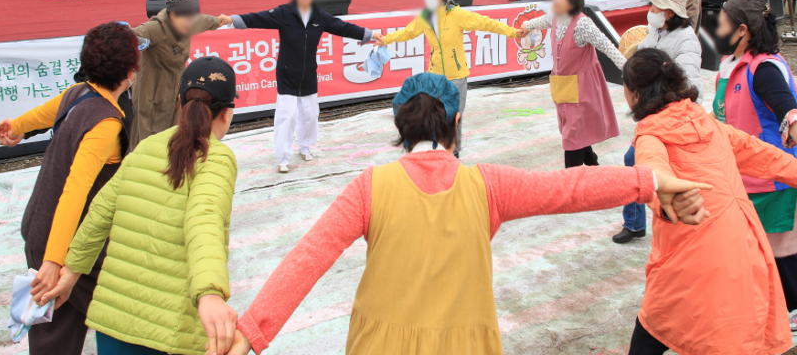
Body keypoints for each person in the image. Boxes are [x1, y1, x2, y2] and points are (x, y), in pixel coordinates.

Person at [222, 72, 708, 355]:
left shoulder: (370, 187)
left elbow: (307, 259)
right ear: (457, 120)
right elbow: (569, 188)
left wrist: (251, 332)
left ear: (399, 125)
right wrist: (652, 182)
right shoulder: (487, 185)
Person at [38, 57, 239, 355]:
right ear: (228, 113)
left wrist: (72, 271)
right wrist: (209, 292)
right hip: (168, 333)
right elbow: (204, 222)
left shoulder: (148, 146)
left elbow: (100, 213)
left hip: (114, 323)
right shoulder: (218, 158)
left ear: (179, 103)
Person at [623, 49, 797, 355]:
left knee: (656, 333)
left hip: (691, 261)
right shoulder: (708, 124)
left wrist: (667, 197)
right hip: (744, 250)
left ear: (635, 94)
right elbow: (763, 155)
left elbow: (652, 171)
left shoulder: (650, 135)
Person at [0, 22, 139, 355]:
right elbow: (74, 193)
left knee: (55, 335)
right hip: (70, 251)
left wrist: (15, 127)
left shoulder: (78, 93)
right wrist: (54, 262)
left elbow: (48, 111)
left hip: (38, 232)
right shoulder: (106, 124)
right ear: (130, 73)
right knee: (131, 319)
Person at [229, 0, 381, 172]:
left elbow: (343, 27)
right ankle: (283, 157)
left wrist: (370, 35)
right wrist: (229, 19)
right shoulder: (284, 13)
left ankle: (305, 146)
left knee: (310, 114)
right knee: (287, 115)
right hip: (287, 74)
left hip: (308, 74)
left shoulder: (320, 16)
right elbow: (257, 18)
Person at [712, 0, 797, 311]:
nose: (716, 31)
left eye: (721, 25)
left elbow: (789, 110)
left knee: (781, 252)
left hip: (771, 181)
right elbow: (720, 115)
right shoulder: (730, 64)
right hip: (739, 177)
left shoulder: (764, 70)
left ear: (742, 30)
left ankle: (791, 312)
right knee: (750, 250)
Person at [376, 0, 526, 157]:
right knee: (434, 116)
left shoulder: (457, 15)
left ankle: (453, 152)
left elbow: (486, 23)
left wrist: (512, 32)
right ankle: (437, 149)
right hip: (435, 76)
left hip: (456, 77)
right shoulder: (426, 16)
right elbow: (408, 32)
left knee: (454, 116)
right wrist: (386, 39)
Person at [613, 0, 703, 244]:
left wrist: (663, 99)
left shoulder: (686, 41)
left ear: (670, 12)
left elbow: (691, 84)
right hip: (652, 116)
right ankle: (636, 222)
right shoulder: (656, 33)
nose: (650, 9)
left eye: (656, 5)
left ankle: (667, 222)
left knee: (638, 161)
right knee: (635, 162)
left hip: (671, 120)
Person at [523, 0, 626, 168]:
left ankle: (571, 185)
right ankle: (595, 170)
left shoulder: (582, 25)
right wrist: (525, 26)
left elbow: (607, 46)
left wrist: (627, 69)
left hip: (582, 90)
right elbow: (539, 21)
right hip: (563, 87)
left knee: (573, 138)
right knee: (575, 134)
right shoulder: (555, 16)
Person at [130, 0, 231, 150]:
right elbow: (128, 37)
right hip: (151, 96)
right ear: (171, 16)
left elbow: (208, 21)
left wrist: (223, 20)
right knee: (148, 141)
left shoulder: (191, 23)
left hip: (175, 91)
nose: (188, 23)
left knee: (176, 136)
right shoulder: (155, 28)